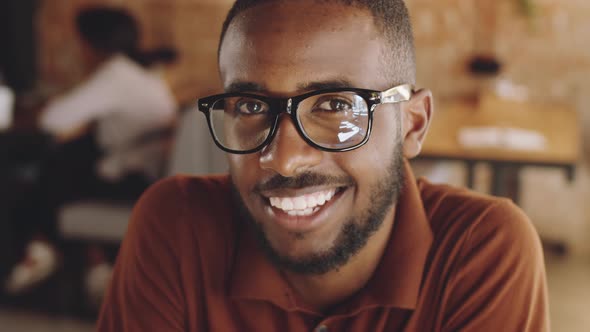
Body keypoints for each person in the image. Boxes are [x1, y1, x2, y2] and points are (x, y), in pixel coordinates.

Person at [98, 0, 549, 331]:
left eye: (336, 104)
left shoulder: (479, 252)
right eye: (251, 106)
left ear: (413, 124)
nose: (285, 159)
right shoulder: (178, 227)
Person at [4, 7, 178, 296]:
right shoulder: (143, 73)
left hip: (133, 180)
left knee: (52, 166)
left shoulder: (116, 74)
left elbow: (53, 119)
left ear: (90, 44)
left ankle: (39, 249)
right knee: (64, 159)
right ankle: (46, 249)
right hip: (148, 174)